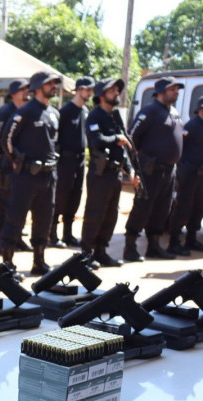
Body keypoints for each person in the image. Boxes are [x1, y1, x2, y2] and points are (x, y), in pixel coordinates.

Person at [0, 70, 61, 276]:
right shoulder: (25, 111)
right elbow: (6, 139)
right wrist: (15, 160)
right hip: (26, 175)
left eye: (54, 83)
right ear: (37, 87)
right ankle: (7, 266)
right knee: (16, 218)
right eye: (49, 83)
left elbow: (55, 143)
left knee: (44, 219)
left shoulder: (54, 113)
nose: (54, 86)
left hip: (48, 175)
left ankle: (39, 261)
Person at [124, 76, 185, 261]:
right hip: (150, 169)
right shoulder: (149, 111)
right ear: (160, 92)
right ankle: (130, 246)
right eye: (172, 89)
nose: (176, 92)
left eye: (176, 89)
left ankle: (154, 246)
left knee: (162, 209)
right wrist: (136, 168)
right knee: (143, 207)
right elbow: (131, 139)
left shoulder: (173, 111)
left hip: (169, 170)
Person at [82, 77, 135, 268]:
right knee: (94, 214)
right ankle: (86, 256)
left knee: (111, 215)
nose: (117, 94)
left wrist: (129, 170)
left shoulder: (115, 115)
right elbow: (96, 141)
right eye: (112, 91)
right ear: (102, 95)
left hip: (115, 174)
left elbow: (124, 145)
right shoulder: (94, 116)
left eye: (117, 90)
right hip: (100, 174)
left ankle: (101, 252)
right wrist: (116, 138)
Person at [0, 78, 30, 250]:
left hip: (22, 164)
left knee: (21, 201)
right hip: (7, 163)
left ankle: (17, 236)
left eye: (27, 89)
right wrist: (3, 157)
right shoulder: (6, 111)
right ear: (13, 94)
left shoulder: (26, 110)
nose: (26, 92)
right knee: (3, 200)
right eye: (22, 90)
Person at [51, 76, 94, 248]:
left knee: (75, 196)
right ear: (79, 90)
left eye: (91, 90)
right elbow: (55, 137)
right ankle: (52, 234)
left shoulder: (85, 111)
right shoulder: (66, 111)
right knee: (61, 195)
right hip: (65, 159)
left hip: (80, 159)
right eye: (87, 89)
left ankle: (67, 234)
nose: (90, 93)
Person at [167, 97, 203, 254]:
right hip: (189, 174)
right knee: (183, 207)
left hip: (201, 175)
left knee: (198, 208)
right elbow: (179, 147)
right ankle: (174, 242)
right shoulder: (192, 126)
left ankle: (191, 239)